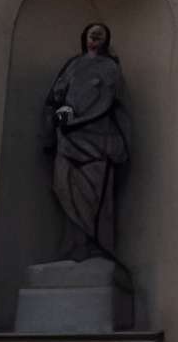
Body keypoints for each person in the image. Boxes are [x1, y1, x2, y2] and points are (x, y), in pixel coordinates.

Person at [43, 22, 131, 263]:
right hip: (69, 137)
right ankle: (72, 245)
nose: (95, 38)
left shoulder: (110, 67)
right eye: (92, 34)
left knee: (94, 196)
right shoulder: (73, 65)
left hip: (96, 137)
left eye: (100, 35)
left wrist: (81, 118)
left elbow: (110, 100)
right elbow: (57, 95)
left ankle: (95, 246)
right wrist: (62, 113)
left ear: (106, 40)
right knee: (63, 186)